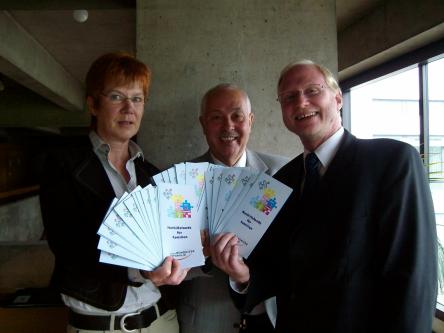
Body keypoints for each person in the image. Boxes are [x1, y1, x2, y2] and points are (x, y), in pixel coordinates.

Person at [210, 60, 438, 332]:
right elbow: (278, 269)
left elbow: (414, 276)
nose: (301, 102)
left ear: (338, 98)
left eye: (312, 91)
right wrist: (242, 275)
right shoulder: (282, 181)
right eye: (289, 97)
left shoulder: (391, 162)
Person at [40, 52, 189, 333]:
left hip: (161, 321)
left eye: (137, 98)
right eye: (117, 97)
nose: (129, 108)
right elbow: (69, 245)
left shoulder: (153, 174)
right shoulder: (64, 165)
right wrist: (139, 271)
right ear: (93, 104)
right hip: (100, 325)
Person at [177, 83, 288, 333]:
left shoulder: (284, 173)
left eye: (237, 116)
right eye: (216, 117)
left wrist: (248, 276)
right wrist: (201, 255)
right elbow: (169, 261)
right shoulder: (180, 180)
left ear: (250, 120)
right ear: (203, 124)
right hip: (203, 319)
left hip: (269, 317)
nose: (228, 127)